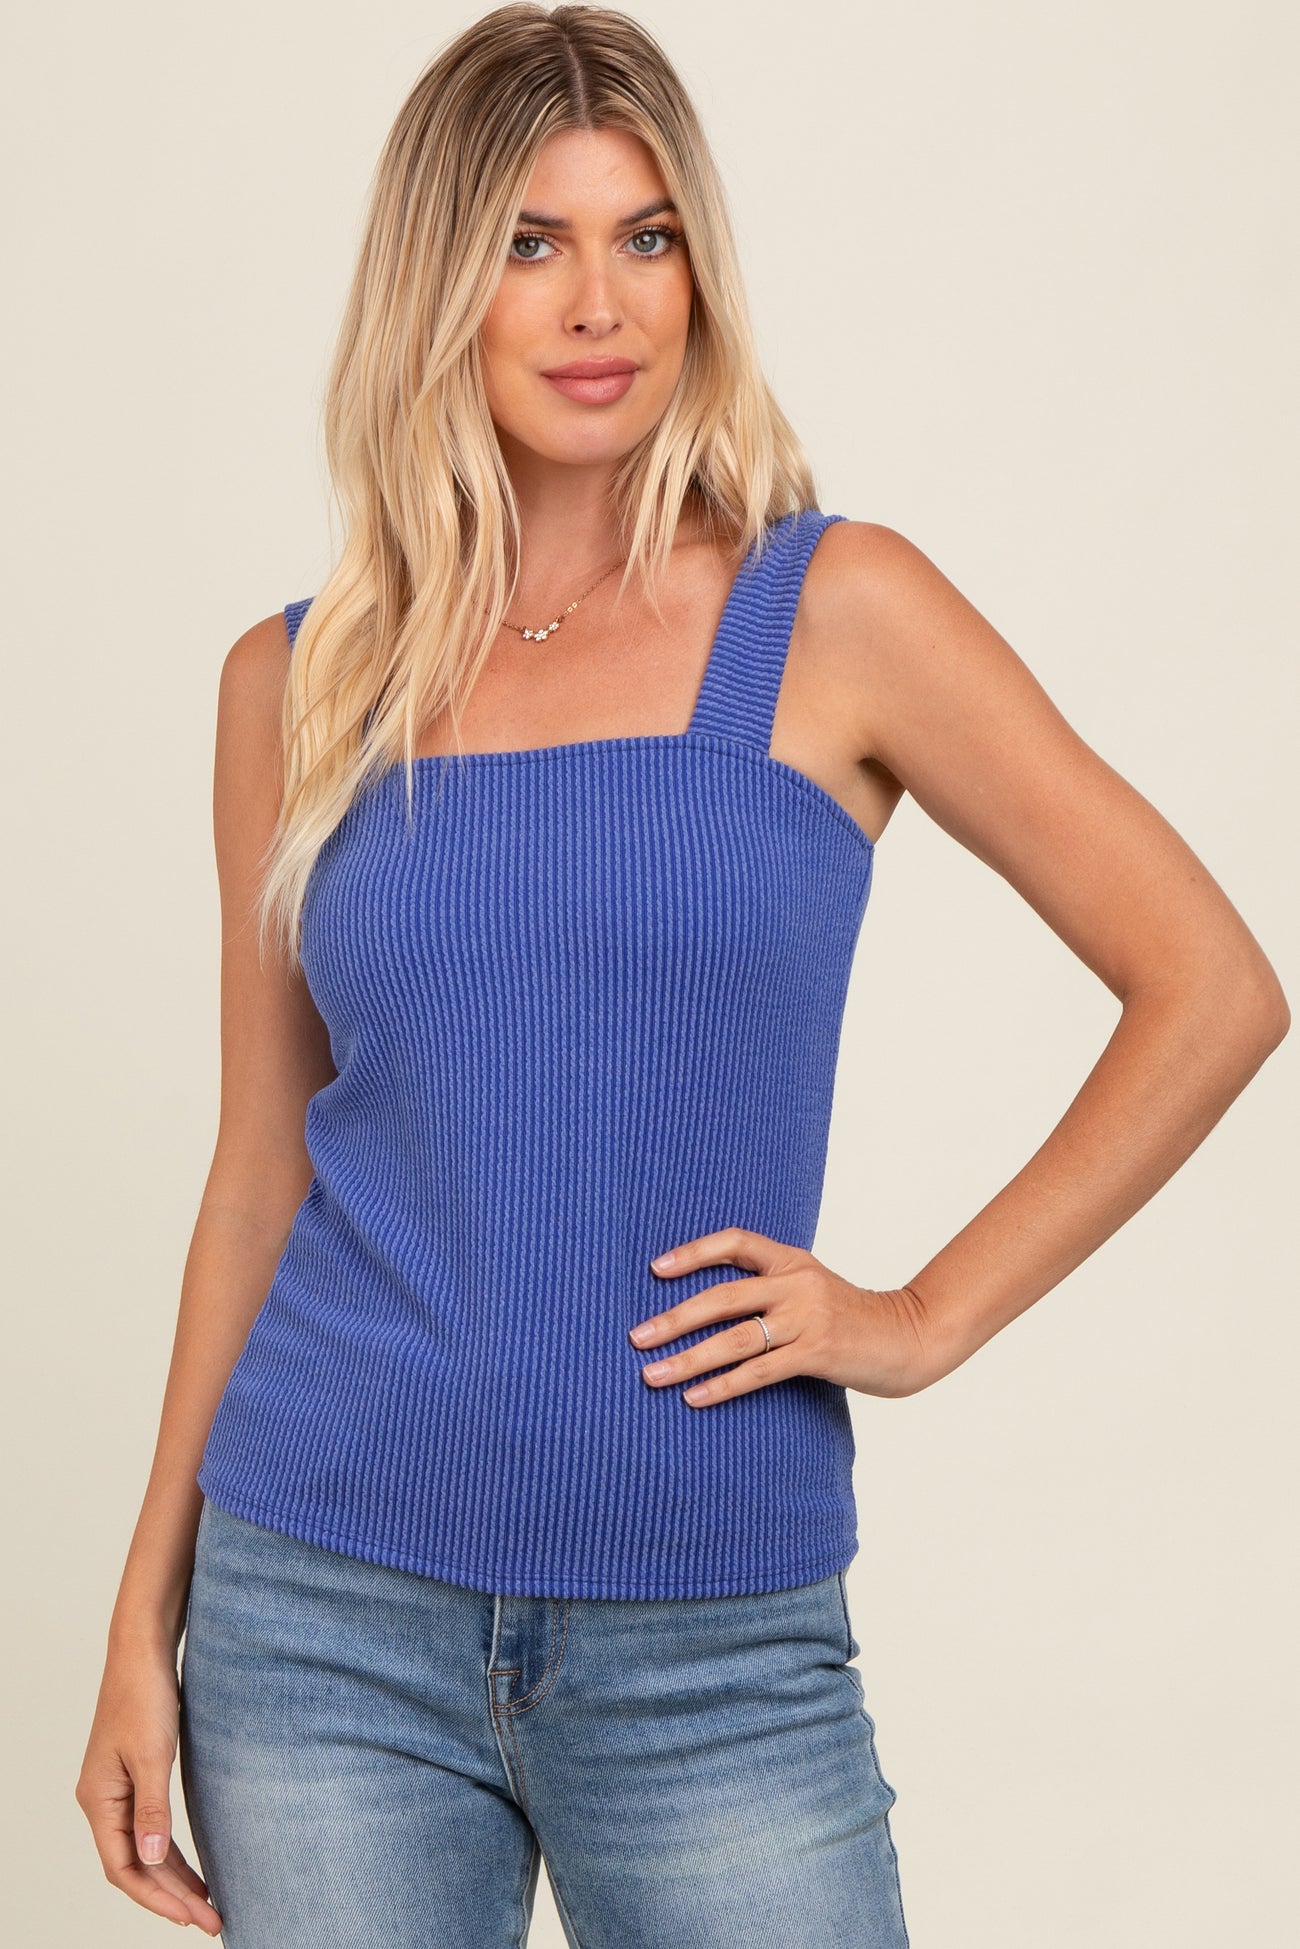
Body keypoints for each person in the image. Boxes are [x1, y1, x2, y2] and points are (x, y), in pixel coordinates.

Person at [75, 5, 1289, 1943]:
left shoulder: (837, 612)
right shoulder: (299, 682)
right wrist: (144, 1616)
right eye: (529, 243)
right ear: (436, 287)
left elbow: (1210, 985)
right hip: (317, 1619)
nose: (598, 303)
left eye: (644, 238)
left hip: (712, 1637)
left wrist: (920, 1316)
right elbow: (257, 1170)